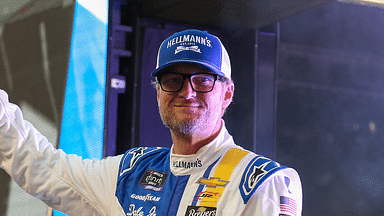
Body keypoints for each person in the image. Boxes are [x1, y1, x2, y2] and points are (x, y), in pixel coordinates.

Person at [0, 29, 302, 215]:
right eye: (172, 80)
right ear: (158, 93)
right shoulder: (130, 172)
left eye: (202, 80)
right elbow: (44, 168)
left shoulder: (263, 182)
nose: (187, 91)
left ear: (227, 93)